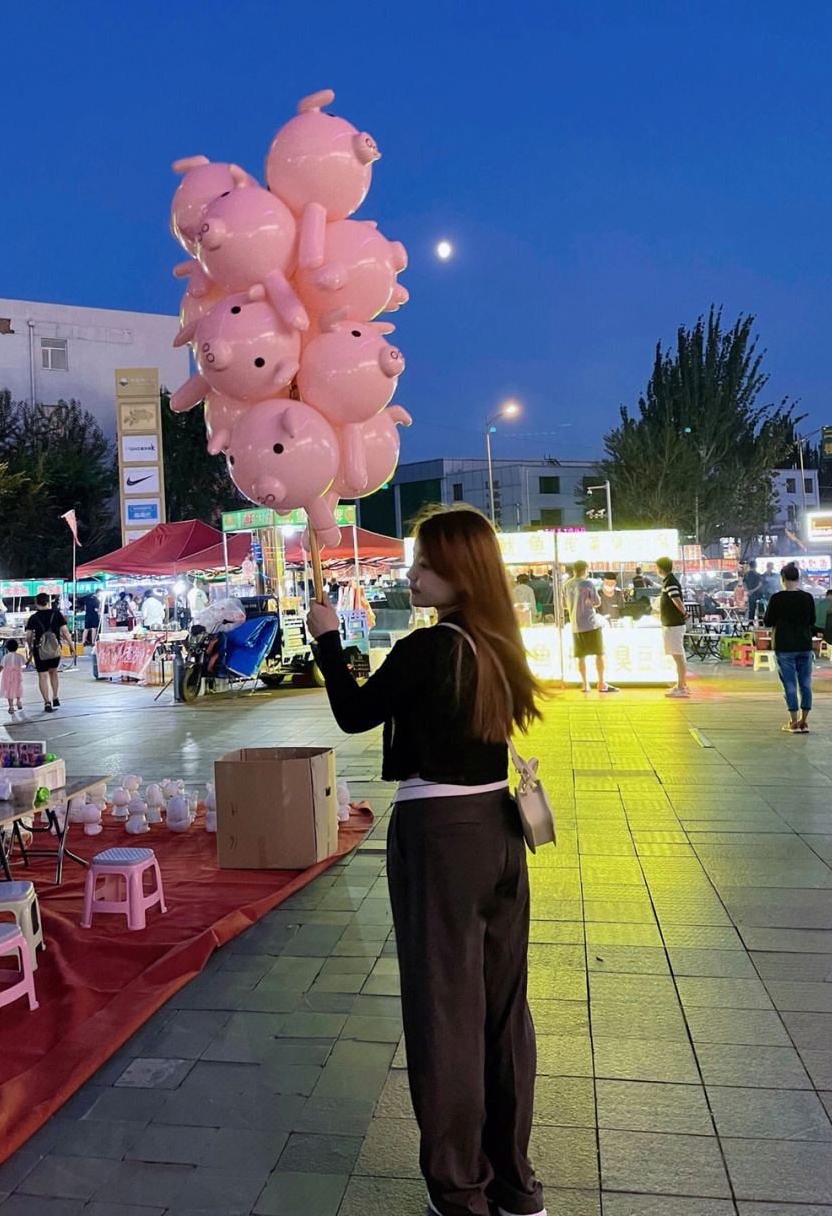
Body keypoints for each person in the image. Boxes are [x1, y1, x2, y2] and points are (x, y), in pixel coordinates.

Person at [307, 506, 546, 1216]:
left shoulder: (428, 647)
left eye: (425, 563)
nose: (411, 574)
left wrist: (327, 640)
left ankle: (460, 1187)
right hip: (500, 828)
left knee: (444, 1009)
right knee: (504, 1010)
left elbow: (353, 713)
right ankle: (514, 1183)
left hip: (439, 832)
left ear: (458, 573)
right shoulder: (500, 642)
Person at [764, 562, 817, 732]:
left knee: (789, 683)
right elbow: (812, 621)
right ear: (798, 578)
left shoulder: (777, 598)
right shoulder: (807, 598)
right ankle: (804, 721)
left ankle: (793, 722)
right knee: (805, 683)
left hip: (784, 645)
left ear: (783, 578)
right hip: (804, 644)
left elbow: (768, 621)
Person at [563, 560, 617, 694]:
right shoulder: (587, 583)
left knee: (581, 656)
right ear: (586, 570)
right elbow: (597, 602)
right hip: (591, 623)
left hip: (576, 625)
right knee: (599, 654)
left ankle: (585, 684)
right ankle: (601, 683)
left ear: (573, 570)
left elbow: (564, 605)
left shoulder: (566, 585)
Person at [26, 592, 69, 711]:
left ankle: (47, 702)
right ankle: (55, 696)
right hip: (54, 649)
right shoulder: (57, 614)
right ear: (48, 602)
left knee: (42, 675)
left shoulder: (33, 618)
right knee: (54, 672)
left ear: (36, 603)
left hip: (40, 650)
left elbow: (28, 636)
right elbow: (65, 631)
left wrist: (30, 648)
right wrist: (71, 645)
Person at [656, 556, 690, 697]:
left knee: (678, 656)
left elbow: (676, 600)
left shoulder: (670, 582)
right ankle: (682, 684)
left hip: (674, 624)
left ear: (660, 568)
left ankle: (681, 687)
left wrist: (685, 613)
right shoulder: (669, 581)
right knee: (678, 655)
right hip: (673, 623)